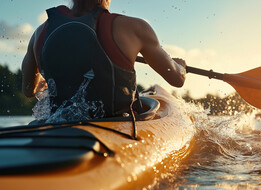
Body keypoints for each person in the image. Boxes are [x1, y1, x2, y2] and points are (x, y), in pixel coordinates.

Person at [21, 0, 186, 118]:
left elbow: (29, 90)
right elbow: (177, 79)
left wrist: (45, 81)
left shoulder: (39, 34)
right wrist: (180, 66)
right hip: (118, 125)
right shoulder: (135, 28)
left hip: (61, 127)